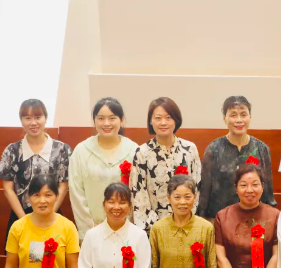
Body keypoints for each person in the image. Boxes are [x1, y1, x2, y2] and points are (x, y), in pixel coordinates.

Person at [3, 176, 80, 268]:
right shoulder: (18, 227)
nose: (42, 200)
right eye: (36, 195)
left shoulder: (67, 227)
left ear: (57, 197)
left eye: (48, 195)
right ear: (29, 198)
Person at [145, 175, 221, 268]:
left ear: (195, 197)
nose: (182, 202)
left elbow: (211, 266)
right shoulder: (158, 229)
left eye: (187, 197)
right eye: (177, 197)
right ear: (168, 198)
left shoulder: (206, 228)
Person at [0, 99, 72, 249]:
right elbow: (8, 189)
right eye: (27, 118)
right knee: (21, 265)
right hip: (20, 216)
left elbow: (63, 185)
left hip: (52, 216)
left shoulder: (62, 150)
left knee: (52, 262)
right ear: (21, 121)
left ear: (45, 119)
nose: (33, 123)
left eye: (38, 117)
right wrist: (25, 221)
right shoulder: (12, 151)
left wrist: (49, 215)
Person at [69, 97, 138, 240]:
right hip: (93, 230)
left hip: (126, 230)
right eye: (100, 118)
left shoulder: (133, 150)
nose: (106, 123)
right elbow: (76, 193)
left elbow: (139, 193)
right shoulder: (82, 151)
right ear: (94, 121)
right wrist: (90, 226)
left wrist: (129, 224)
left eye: (112, 118)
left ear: (122, 120)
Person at [198, 96, 276, 221]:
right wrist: (202, 220)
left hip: (255, 219)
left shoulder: (262, 149)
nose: (239, 120)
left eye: (243, 114)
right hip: (220, 220)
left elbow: (267, 190)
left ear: (250, 117)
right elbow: (205, 191)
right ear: (225, 119)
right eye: (233, 115)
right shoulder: (213, 149)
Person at [131, 97, 201, 233]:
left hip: (187, 223)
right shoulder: (142, 153)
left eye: (168, 117)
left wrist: (189, 219)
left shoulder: (189, 149)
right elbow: (139, 194)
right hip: (154, 227)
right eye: (158, 118)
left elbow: (197, 186)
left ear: (176, 120)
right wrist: (148, 227)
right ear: (151, 121)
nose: (163, 122)